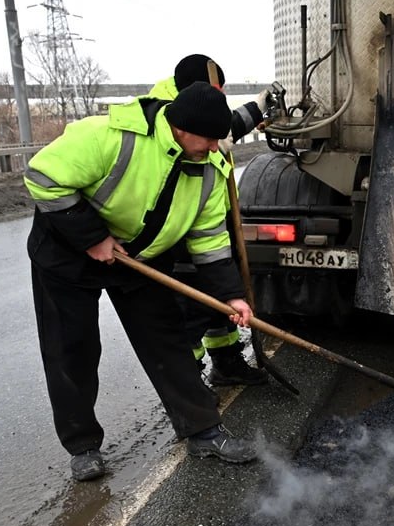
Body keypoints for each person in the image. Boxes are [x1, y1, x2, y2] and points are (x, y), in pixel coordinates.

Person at [25, 81, 259, 482]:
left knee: (166, 339)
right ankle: (83, 446)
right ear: (181, 127)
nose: (215, 148)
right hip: (67, 251)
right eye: (209, 138)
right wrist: (92, 237)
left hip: (140, 259)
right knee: (72, 348)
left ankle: (203, 430)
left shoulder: (206, 169)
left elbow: (209, 239)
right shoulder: (110, 136)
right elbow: (43, 178)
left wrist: (232, 296)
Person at [151, 54, 272, 388]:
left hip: (209, 217)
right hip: (180, 229)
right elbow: (226, 131)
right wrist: (256, 109)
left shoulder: (194, 102)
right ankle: (188, 384)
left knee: (220, 297)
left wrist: (257, 109)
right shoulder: (170, 107)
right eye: (217, 91)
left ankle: (227, 362)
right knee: (191, 308)